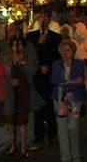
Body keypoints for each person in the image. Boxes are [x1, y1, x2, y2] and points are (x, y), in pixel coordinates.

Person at [50, 37, 87, 162]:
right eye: (63, 50)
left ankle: (76, 156)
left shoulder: (79, 64)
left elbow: (81, 80)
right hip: (60, 98)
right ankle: (65, 157)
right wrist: (71, 82)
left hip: (75, 98)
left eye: (68, 50)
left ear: (73, 51)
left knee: (73, 126)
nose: (66, 53)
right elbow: (54, 80)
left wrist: (69, 83)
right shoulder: (56, 64)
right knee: (61, 128)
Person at [26, 11, 61, 148]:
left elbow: (56, 55)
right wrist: (39, 45)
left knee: (49, 104)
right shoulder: (31, 36)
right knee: (37, 105)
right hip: (37, 75)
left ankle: (52, 133)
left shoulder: (56, 36)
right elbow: (30, 54)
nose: (43, 20)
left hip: (50, 74)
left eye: (45, 17)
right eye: (40, 17)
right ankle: (38, 134)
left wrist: (48, 66)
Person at [7, 36, 35, 156]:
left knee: (23, 119)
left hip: (24, 91)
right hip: (11, 92)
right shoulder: (7, 59)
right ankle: (12, 144)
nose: (16, 48)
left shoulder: (27, 59)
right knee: (10, 119)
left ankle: (23, 145)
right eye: (14, 45)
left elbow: (32, 72)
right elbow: (4, 74)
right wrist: (10, 81)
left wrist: (22, 64)